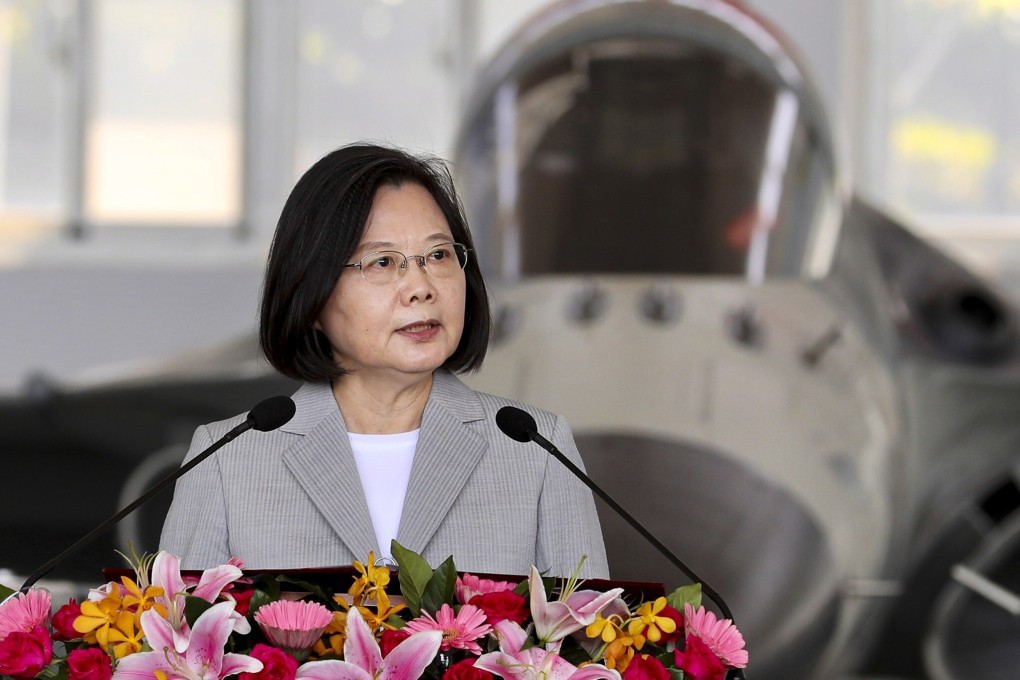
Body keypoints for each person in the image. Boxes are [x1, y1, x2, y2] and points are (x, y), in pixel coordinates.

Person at [160, 143, 608, 578]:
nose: (421, 286)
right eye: (382, 262)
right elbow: (174, 646)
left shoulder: (534, 450)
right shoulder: (227, 461)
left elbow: (589, 646)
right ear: (312, 294)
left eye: (437, 255)